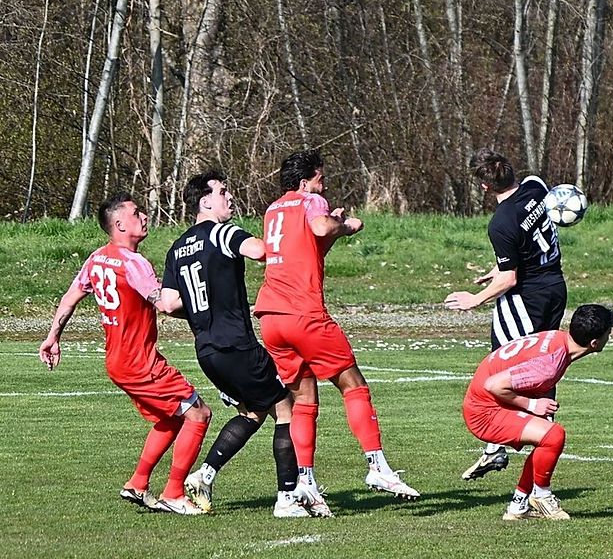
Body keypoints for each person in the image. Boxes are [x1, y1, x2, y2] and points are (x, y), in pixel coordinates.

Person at [253, 149, 420, 516]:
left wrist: (333, 231)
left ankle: (306, 481)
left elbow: (309, 248)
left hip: (271, 317)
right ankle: (378, 467)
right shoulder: (310, 200)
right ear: (304, 181)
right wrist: (344, 225)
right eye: (320, 178)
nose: (323, 185)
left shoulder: (272, 210)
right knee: (353, 384)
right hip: (304, 313)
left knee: (304, 400)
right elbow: (319, 227)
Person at [39, 193, 212, 515]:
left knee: (168, 419)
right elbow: (163, 303)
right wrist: (211, 309)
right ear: (119, 224)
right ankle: (174, 494)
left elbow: (70, 297)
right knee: (198, 414)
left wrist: (53, 337)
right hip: (140, 363)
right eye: (136, 213)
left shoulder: (97, 259)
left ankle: (137, 483)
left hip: (118, 361)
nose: (144, 216)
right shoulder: (134, 263)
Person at [161, 170, 311, 518]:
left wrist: (205, 312)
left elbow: (168, 304)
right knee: (286, 407)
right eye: (223, 192)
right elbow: (258, 250)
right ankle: (286, 499)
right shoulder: (221, 232)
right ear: (205, 201)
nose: (230, 197)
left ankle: (205, 475)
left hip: (207, 350)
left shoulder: (177, 248)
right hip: (237, 344)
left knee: (255, 410)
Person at [445, 149, 567, 481]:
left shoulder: (500, 222)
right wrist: (497, 269)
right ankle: (538, 428)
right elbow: (526, 246)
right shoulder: (535, 186)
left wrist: (475, 299)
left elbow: (510, 278)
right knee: (544, 362)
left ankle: (499, 445)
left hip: (525, 298)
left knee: (502, 367)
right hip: (555, 287)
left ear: (484, 186)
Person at [463, 303, 613, 520]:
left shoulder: (558, 338)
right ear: (594, 343)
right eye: (608, 334)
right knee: (553, 436)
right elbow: (494, 385)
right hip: (485, 411)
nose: (608, 338)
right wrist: (532, 405)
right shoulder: (550, 363)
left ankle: (517, 507)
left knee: (545, 437)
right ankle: (542, 496)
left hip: (491, 401)